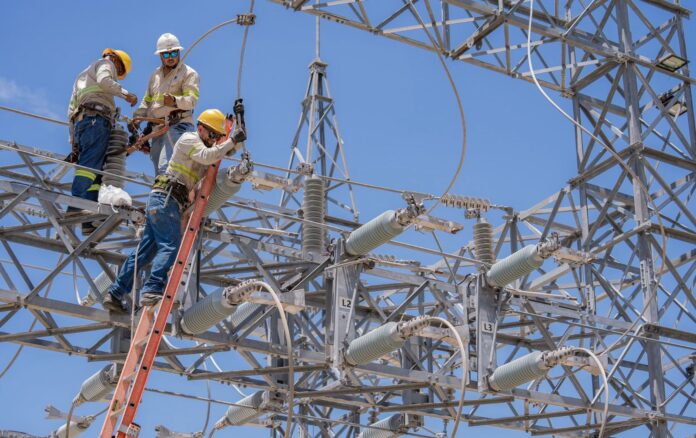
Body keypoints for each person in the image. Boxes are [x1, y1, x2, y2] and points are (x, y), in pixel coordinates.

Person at [102, 108, 244, 312]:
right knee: (169, 246)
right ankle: (152, 289)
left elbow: (223, 150)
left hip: (164, 201)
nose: (213, 140)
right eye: (211, 134)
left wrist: (237, 136)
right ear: (200, 129)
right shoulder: (189, 139)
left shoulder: (207, 145)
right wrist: (230, 141)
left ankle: (115, 293)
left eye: (217, 136)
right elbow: (208, 155)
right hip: (166, 199)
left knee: (144, 252)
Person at [67, 49, 138, 234]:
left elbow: (71, 110)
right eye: (119, 69)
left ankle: (88, 219)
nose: (116, 72)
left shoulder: (82, 77)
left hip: (83, 123)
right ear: (116, 60)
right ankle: (74, 207)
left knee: (96, 172)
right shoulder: (105, 64)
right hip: (96, 120)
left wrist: (73, 142)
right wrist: (126, 94)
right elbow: (105, 82)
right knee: (90, 168)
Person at [132, 33, 200, 175]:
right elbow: (148, 100)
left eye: (174, 52)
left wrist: (175, 101)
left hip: (177, 125)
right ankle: (163, 196)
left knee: (167, 168)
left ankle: (166, 196)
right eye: (166, 54)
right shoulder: (155, 75)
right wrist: (137, 119)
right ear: (160, 56)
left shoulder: (189, 73)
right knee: (159, 171)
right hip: (157, 128)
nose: (170, 57)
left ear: (179, 52)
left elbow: (192, 101)